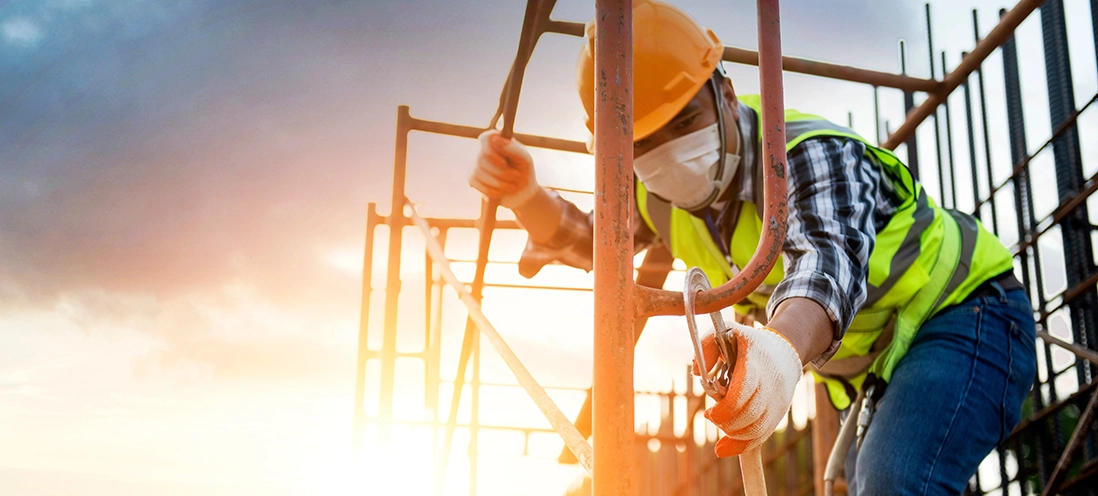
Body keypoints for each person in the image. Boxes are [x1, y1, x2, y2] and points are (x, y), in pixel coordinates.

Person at [467, 0, 1036, 493]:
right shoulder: (651, 196)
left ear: (726, 92)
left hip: (965, 313)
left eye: (684, 118)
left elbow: (827, 261)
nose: (668, 153)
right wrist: (524, 194)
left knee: (893, 484)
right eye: (643, 142)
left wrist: (779, 351)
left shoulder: (807, 153)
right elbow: (595, 244)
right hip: (879, 361)